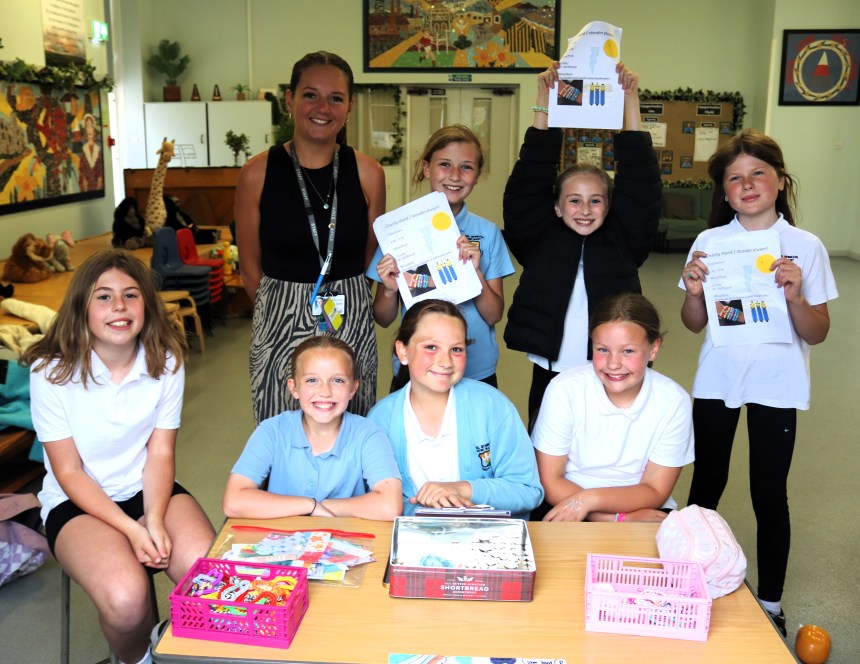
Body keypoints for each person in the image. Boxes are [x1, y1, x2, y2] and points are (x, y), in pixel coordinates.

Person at [680, 129, 837, 636]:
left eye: (758, 174)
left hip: (777, 384)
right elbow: (693, 323)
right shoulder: (710, 243)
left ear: (780, 180)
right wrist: (695, 292)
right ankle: (689, 585)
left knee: (769, 492)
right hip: (717, 380)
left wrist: (795, 298)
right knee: (706, 485)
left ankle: (770, 600)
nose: (747, 185)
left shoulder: (805, 247)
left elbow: (818, 331)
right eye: (734, 179)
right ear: (724, 193)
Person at [24, 250, 214, 664]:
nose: (119, 307)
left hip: (146, 488)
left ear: (146, 304)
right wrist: (131, 529)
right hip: (77, 501)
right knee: (127, 601)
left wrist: (155, 520)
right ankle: (140, 660)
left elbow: (160, 452)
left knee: (209, 580)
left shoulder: (166, 360)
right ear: (82, 307)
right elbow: (69, 470)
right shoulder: (50, 370)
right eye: (104, 296)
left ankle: (196, 655)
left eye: (130, 295)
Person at [503, 61, 662, 430]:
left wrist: (630, 101)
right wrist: (544, 100)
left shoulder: (625, 242)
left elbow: (640, 180)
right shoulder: (539, 239)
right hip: (550, 369)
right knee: (546, 444)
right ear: (557, 207)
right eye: (574, 200)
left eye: (596, 200)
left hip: (611, 370)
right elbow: (530, 177)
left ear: (610, 206)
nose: (585, 210)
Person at [235, 51, 385, 424]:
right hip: (278, 319)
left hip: (349, 316)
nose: (323, 107)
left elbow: (370, 259)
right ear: (290, 99)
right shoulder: (257, 174)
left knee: (350, 426)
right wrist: (284, 310)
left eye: (335, 98)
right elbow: (250, 269)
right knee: (281, 425)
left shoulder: (368, 173)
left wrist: (342, 305)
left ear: (349, 106)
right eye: (310, 95)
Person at [368, 125, 515, 389]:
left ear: (477, 175)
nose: (455, 175)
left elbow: (494, 315)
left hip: (476, 370)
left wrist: (476, 273)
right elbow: (383, 318)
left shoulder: (488, 232)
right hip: (417, 366)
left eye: (467, 167)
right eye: (445, 164)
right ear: (426, 168)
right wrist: (389, 291)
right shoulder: (398, 230)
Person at [367, 299, 543, 519]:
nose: (445, 362)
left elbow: (528, 490)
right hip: (411, 536)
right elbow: (373, 499)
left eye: (456, 349)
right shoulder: (380, 419)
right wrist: (425, 511)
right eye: (431, 347)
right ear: (403, 351)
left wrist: (463, 489)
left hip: (485, 537)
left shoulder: (493, 406)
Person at [532, 293, 693, 523]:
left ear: (654, 348)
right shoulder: (563, 389)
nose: (613, 364)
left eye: (628, 351)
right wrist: (618, 520)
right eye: (602, 349)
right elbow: (550, 481)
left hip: (641, 506)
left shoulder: (674, 401)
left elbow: (655, 490)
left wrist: (590, 500)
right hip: (565, 501)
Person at [223, 336, 402, 521]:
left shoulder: (368, 434)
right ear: (294, 388)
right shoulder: (271, 431)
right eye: (311, 380)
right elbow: (233, 501)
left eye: (338, 380)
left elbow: (389, 506)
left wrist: (320, 508)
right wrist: (309, 505)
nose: (325, 392)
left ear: (352, 389)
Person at [78, 113, 103, 192]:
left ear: (94, 130)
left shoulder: (98, 150)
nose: (89, 129)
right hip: (87, 189)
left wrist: (99, 187)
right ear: (85, 129)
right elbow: (82, 173)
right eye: (87, 126)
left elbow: (100, 173)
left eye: (91, 126)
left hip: (98, 188)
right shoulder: (83, 151)